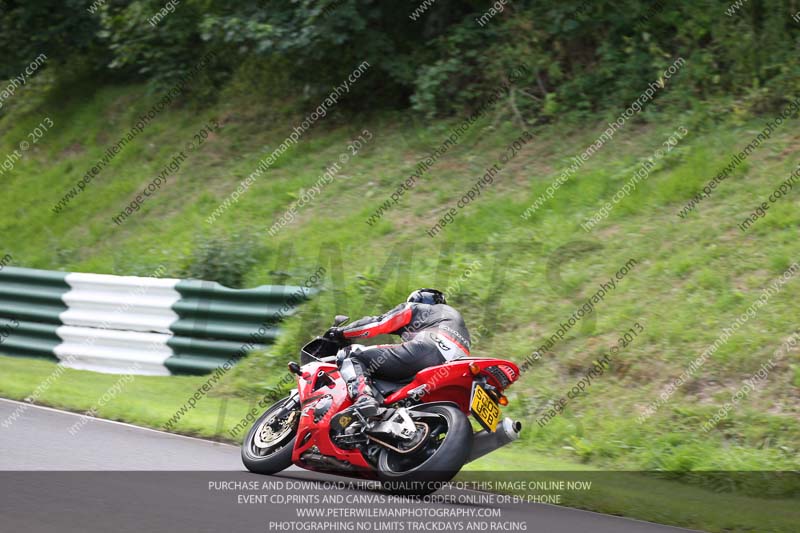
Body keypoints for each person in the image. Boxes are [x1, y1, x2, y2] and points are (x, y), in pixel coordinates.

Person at [325, 288, 471, 418]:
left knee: (353, 355)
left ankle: (364, 398)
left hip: (427, 349)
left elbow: (379, 323)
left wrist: (341, 332)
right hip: (454, 366)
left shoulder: (417, 308)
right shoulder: (457, 324)